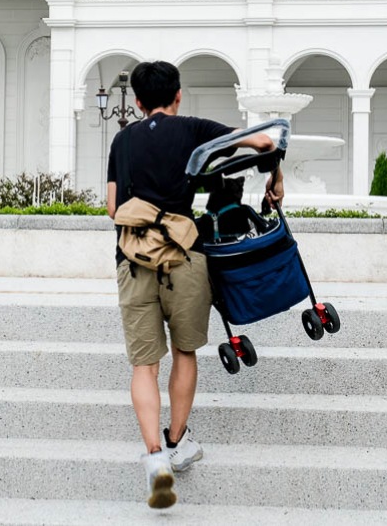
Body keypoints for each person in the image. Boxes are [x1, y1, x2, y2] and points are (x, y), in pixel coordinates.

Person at [105, 60, 284, 509]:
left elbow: (112, 207)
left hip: (133, 260)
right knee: (184, 353)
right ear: (178, 95)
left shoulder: (121, 139)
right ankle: (176, 441)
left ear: (139, 102)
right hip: (185, 259)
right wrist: (275, 180)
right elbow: (264, 142)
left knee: (143, 366)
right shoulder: (192, 128)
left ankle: (154, 459)